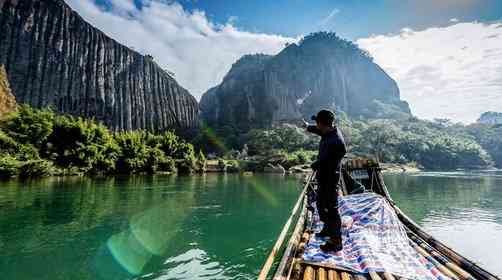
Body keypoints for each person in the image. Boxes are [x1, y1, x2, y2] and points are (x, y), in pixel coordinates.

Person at [303, 109, 347, 252]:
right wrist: (307, 127)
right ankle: (327, 229)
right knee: (321, 204)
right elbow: (318, 131)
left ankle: (336, 242)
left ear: (322, 124)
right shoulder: (328, 131)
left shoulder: (337, 142)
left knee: (331, 209)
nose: (316, 125)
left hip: (330, 179)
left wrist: (313, 165)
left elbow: (327, 161)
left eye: (317, 122)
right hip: (322, 177)